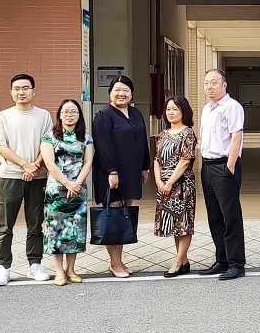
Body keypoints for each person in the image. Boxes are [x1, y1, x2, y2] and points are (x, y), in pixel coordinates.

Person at [0, 74, 53, 286]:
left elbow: (48, 144)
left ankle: (35, 264)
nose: (21, 92)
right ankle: (3, 267)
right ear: (11, 92)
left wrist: (34, 166)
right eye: (17, 88)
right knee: (5, 225)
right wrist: (25, 164)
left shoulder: (43, 116)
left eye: (25, 88)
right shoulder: (3, 116)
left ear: (34, 91)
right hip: (9, 176)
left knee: (36, 224)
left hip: (38, 177)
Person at [92, 75, 150, 278]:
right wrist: (112, 171)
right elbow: (103, 146)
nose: (121, 94)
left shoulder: (136, 113)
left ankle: (118, 260)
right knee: (114, 217)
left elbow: (142, 141)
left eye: (125, 90)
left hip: (131, 173)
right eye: (117, 90)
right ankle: (115, 263)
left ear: (132, 93)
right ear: (110, 93)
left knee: (124, 216)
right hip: (112, 175)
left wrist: (144, 167)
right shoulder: (104, 115)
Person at [198, 68, 246, 280]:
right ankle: (222, 259)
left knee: (230, 216)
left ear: (224, 84)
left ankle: (236, 263)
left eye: (214, 82)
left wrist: (230, 166)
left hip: (225, 166)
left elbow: (236, 136)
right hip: (208, 167)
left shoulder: (232, 106)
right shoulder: (206, 109)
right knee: (215, 216)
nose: (209, 87)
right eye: (206, 83)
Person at [40, 99, 94, 286]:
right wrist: (66, 183)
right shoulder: (50, 137)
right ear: (60, 115)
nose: (70, 115)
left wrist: (77, 184)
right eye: (66, 111)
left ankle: (71, 269)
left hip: (78, 190)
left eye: (74, 111)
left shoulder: (85, 137)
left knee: (75, 230)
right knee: (56, 229)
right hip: (56, 190)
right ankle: (58, 271)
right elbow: (49, 163)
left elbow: (88, 162)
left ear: (79, 115)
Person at [153, 96, 198, 278]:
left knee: (184, 223)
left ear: (183, 111)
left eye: (175, 109)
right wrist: (158, 181)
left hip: (182, 184)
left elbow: (185, 160)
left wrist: (170, 182)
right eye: (168, 109)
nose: (171, 113)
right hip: (163, 185)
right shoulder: (163, 134)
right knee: (174, 224)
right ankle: (184, 261)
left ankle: (178, 262)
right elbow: (156, 159)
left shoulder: (188, 133)